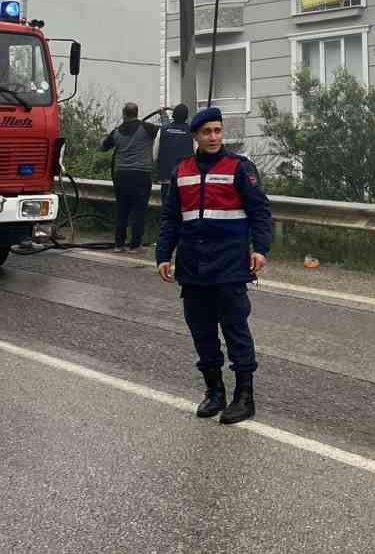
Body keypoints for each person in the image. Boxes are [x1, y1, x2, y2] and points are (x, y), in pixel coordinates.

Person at [156, 106, 271, 425]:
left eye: (218, 131)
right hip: (193, 268)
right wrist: (164, 254)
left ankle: (244, 398)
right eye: (207, 132)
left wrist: (260, 249)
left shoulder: (239, 167)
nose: (213, 137)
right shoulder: (182, 171)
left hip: (230, 265)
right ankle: (214, 392)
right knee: (202, 333)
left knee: (235, 330)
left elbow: (260, 211)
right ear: (195, 136)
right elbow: (170, 218)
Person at [102, 103, 159, 251]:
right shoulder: (147, 128)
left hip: (122, 176)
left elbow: (103, 147)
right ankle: (135, 245)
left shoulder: (116, 132)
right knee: (139, 211)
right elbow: (163, 132)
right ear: (137, 113)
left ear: (123, 114)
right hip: (141, 175)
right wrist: (164, 115)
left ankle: (119, 244)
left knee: (122, 210)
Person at [156, 103, 194, 207]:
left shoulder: (163, 130)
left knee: (167, 210)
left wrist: (163, 115)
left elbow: (155, 154)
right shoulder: (192, 132)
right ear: (186, 117)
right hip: (186, 179)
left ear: (173, 115)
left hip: (166, 177)